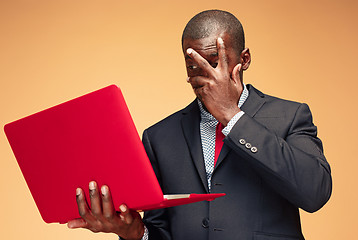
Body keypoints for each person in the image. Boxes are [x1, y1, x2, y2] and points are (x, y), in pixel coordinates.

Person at [67, 10, 332, 240]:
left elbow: (315, 192)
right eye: (193, 66)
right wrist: (137, 233)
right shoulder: (159, 137)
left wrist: (232, 115)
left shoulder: (291, 115)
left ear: (245, 59)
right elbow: (160, 231)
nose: (204, 76)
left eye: (214, 63)